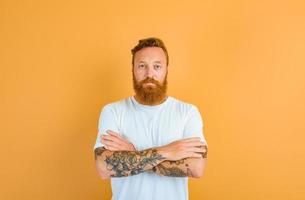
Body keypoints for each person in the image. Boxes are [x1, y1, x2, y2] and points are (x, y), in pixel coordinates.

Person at [93, 37, 208, 200]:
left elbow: (196, 168)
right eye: (142, 66)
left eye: (157, 66)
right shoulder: (113, 111)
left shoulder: (187, 112)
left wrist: (133, 153)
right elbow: (104, 167)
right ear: (133, 69)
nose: (150, 74)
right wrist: (168, 151)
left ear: (166, 69)